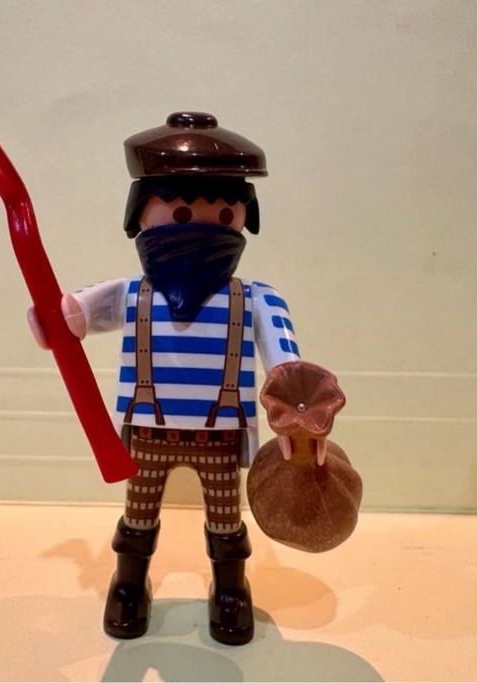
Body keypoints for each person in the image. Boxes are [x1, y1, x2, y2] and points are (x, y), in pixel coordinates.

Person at [29, 112, 302, 646]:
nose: (200, 226)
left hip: (220, 433)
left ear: (243, 217)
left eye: (223, 212)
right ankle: (129, 584)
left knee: (226, 521)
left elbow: (288, 368)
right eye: (179, 211)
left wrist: (296, 416)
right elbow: (70, 317)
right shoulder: (129, 294)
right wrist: (50, 318)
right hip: (149, 429)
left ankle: (231, 589)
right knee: (138, 515)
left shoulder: (258, 299)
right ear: (141, 215)